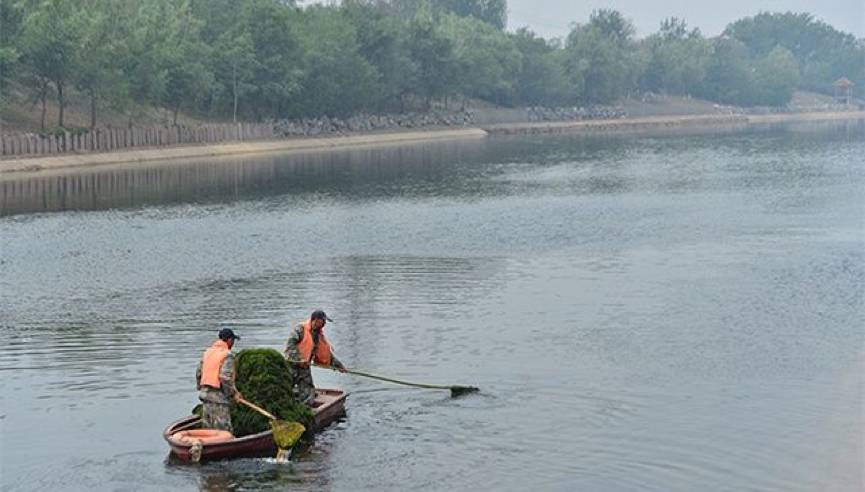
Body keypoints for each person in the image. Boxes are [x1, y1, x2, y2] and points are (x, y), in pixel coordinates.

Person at [284, 310, 346, 405]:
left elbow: (326, 355)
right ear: (315, 320)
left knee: (308, 393)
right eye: (323, 321)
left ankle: (306, 411)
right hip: (291, 366)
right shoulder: (300, 329)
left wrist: (338, 366)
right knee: (285, 389)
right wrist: (300, 360)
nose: (324, 324)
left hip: (304, 369)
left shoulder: (318, 335)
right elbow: (290, 346)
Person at [196, 328, 244, 433]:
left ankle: (207, 448)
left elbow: (199, 373)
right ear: (230, 340)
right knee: (224, 432)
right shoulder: (227, 355)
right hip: (219, 400)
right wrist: (232, 394)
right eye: (233, 341)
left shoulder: (208, 352)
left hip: (205, 396)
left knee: (208, 430)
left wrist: (200, 387)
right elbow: (225, 378)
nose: (233, 344)